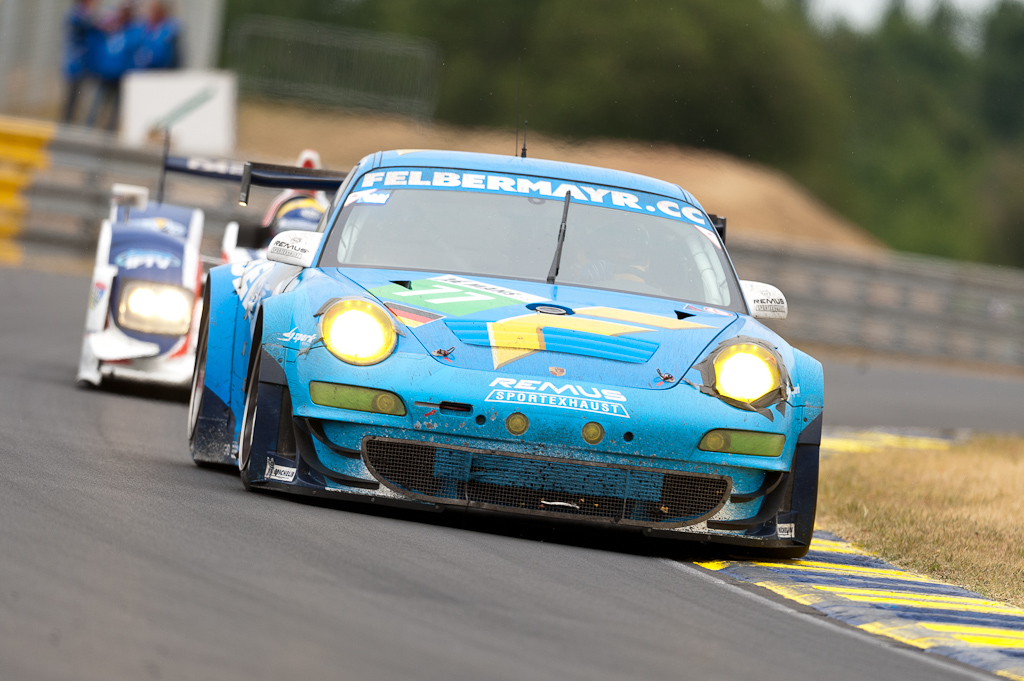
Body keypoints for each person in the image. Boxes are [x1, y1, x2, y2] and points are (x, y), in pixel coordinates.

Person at [85, 2, 140, 131]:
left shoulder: (134, 31)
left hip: (121, 76)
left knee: (115, 111)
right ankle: (89, 129)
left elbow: (133, 54)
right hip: (106, 74)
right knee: (97, 106)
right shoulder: (112, 27)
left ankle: (109, 134)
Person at [60, 0, 98, 124]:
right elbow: (80, 24)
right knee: (71, 98)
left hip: (81, 65)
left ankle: (68, 122)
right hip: (75, 65)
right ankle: (65, 123)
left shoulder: (85, 14)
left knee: (76, 98)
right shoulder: (77, 14)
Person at [133, 1, 181, 70]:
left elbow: (165, 53)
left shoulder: (169, 30)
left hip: (162, 70)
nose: (149, 13)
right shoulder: (143, 28)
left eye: (153, 10)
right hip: (143, 70)